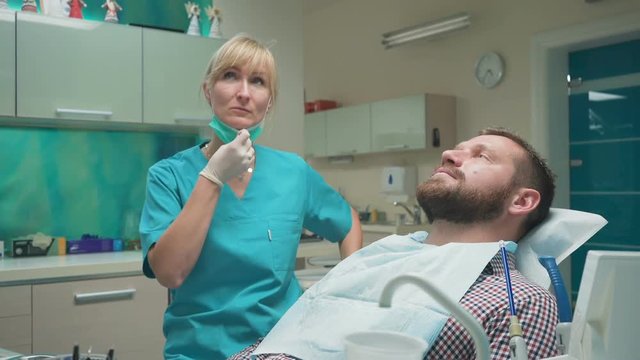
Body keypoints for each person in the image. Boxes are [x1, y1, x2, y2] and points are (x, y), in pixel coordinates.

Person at [229, 127, 559, 360]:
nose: (449, 154)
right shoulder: (381, 258)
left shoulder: (516, 304)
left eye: (482, 156)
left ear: (522, 201)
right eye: (457, 148)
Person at [139, 34, 363, 360]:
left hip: (283, 348)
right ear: (208, 90)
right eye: (230, 76)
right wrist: (213, 177)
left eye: (257, 81)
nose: (244, 93)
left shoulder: (293, 172)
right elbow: (170, 273)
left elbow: (347, 222)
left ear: (269, 101)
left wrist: (347, 288)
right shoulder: (167, 176)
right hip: (199, 352)